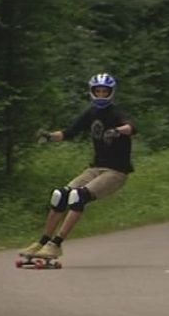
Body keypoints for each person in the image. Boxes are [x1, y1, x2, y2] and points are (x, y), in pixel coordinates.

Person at [18, 73, 136, 259]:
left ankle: (56, 245)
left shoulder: (116, 112)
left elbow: (131, 127)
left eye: (105, 92)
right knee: (60, 195)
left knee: (77, 197)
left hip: (116, 172)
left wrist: (116, 131)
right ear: (92, 92)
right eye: (98, 91)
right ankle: (41, 242)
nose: (101, 95)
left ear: (111, 93)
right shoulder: (91, 113)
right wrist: (49, 136)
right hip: (95, 168)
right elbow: (69, 133)